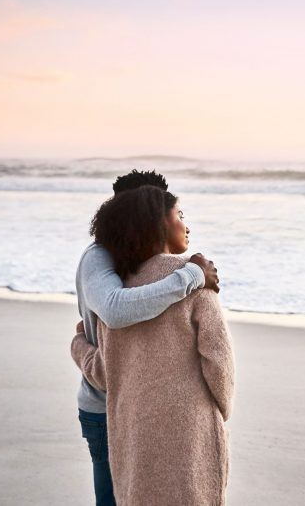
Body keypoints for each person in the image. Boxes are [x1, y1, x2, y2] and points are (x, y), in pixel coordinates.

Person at [71, 185, 236, 506]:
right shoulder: (196, 280)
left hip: (131, 423)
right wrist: (221, 409)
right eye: (180, 215)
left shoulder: (122, 284)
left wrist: (78, 345)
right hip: (190, 426)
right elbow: (219, 362)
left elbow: (106, 369)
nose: (187, 225)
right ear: (157, 223)